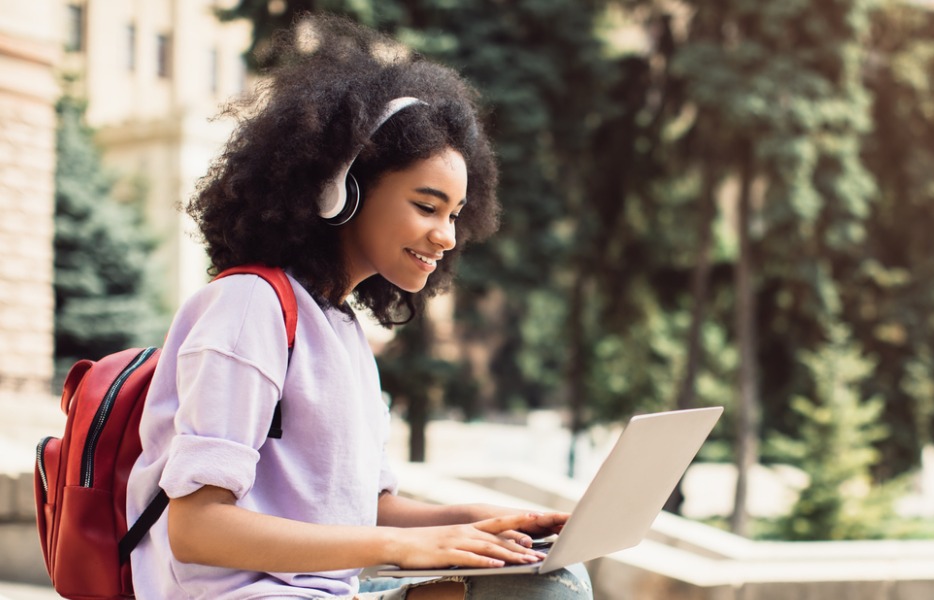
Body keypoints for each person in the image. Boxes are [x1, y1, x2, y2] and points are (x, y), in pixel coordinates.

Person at [125, 16, 592, 600]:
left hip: (327, 594)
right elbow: (196, 528)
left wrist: (476, 521)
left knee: (546, 574)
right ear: (342, 188)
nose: (447, 235)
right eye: (427, 206)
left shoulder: (340, 327)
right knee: (541, 594)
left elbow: (366, 510)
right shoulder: (248, 306)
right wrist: (402, 550)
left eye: (454, 213)